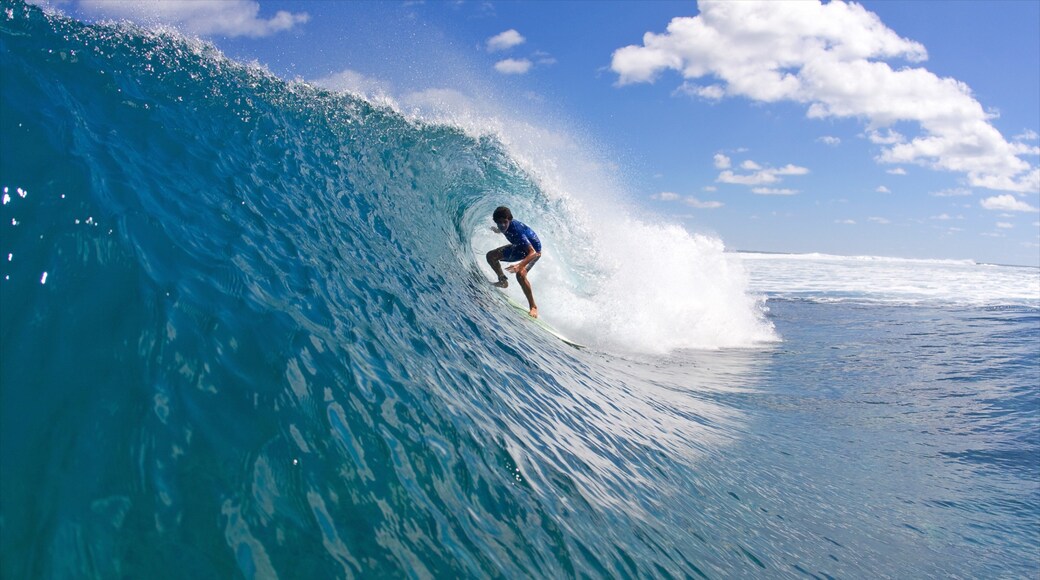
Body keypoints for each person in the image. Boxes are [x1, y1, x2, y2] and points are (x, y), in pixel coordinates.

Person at [486, 206, 541, 318]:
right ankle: (502, 281)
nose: (502, 225)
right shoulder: (504, 227)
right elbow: (503, 228)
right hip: (519, 247)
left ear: (510, 220)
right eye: (499, 223)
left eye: (505, 222)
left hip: (534, 252)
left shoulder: (516, 230)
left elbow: (533, 252)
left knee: (520, 274)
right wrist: (497, 230)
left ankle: (533, 307)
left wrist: (520, 265)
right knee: (491, 256)